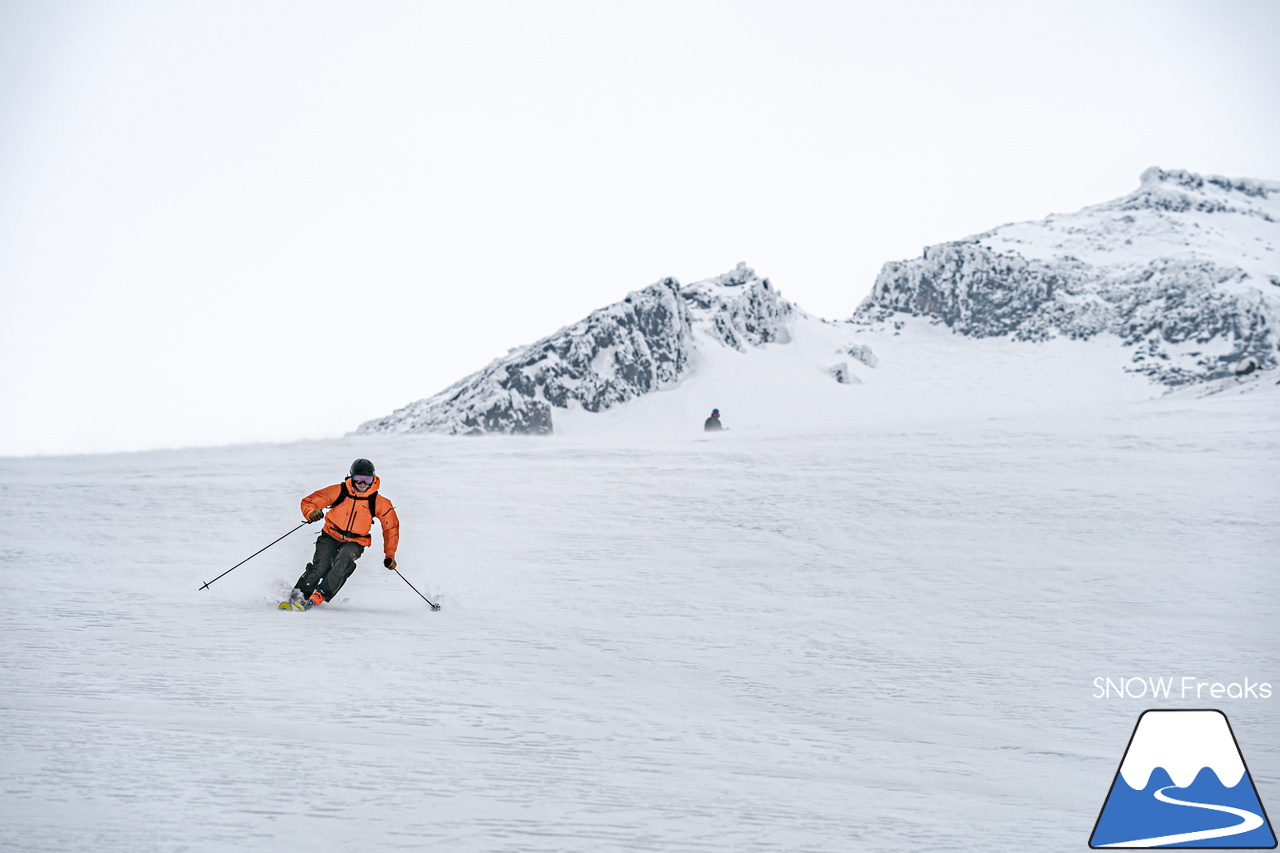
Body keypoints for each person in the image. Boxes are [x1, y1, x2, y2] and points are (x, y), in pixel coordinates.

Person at [284, 458, 400, 609]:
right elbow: (309, 502)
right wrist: (312, 512)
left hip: (356, 542)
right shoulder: (338, 491)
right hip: (330, 536)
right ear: (352, 477)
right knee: (321, 566)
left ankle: (320, 594)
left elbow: (391, 527)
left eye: (367, 479)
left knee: (345, 559)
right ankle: (297, 597)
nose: (362, 483)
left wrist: (389, 555)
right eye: (359, 478)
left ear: (373, 480)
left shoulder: (379, 502)